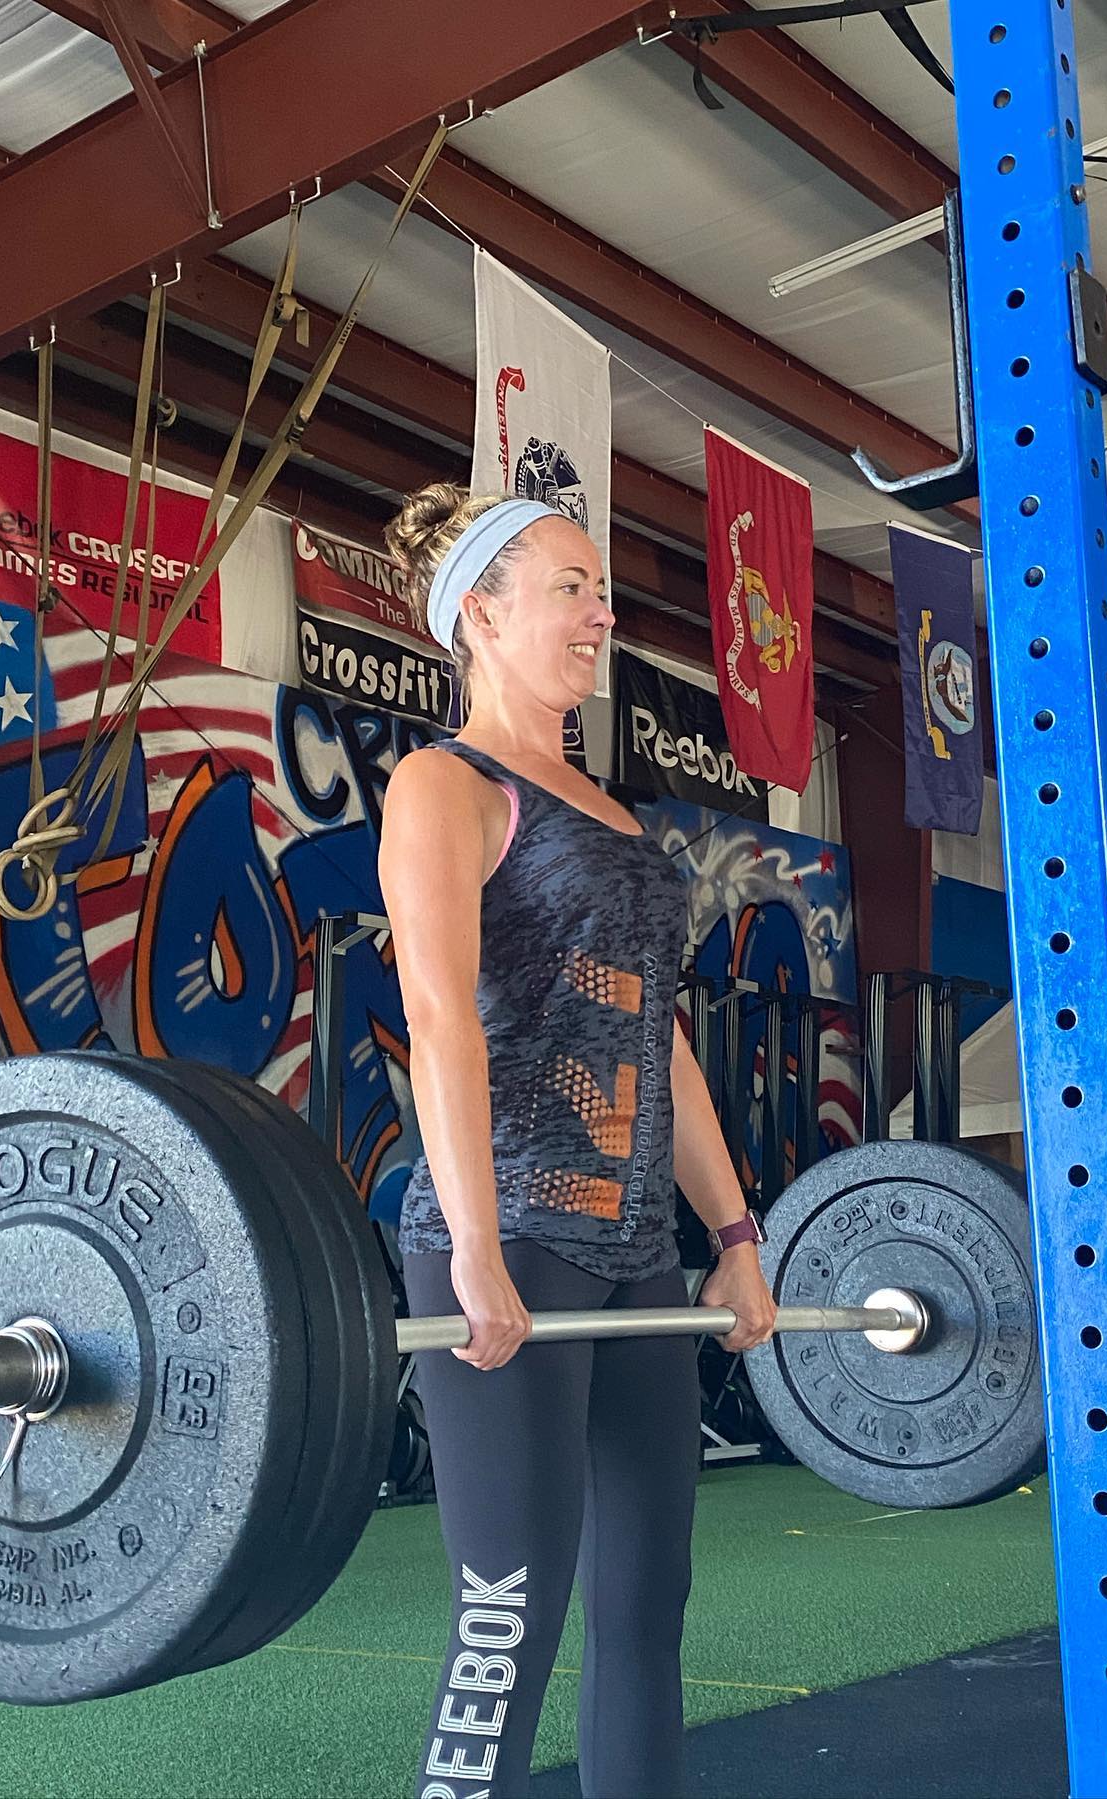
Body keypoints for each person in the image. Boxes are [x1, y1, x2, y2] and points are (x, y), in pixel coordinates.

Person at [377, 483, 777, 1799]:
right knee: (511, 1611)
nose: (601, 613)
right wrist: (475, 1249)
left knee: (645, 1605)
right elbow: (440, 1019)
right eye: (570, 588)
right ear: (482, 618)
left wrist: (734, 1236)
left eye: (600, 591)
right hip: (510, 1238)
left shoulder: (612, 815)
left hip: (634, 1250)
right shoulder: (445, 784)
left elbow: (662, 1045)